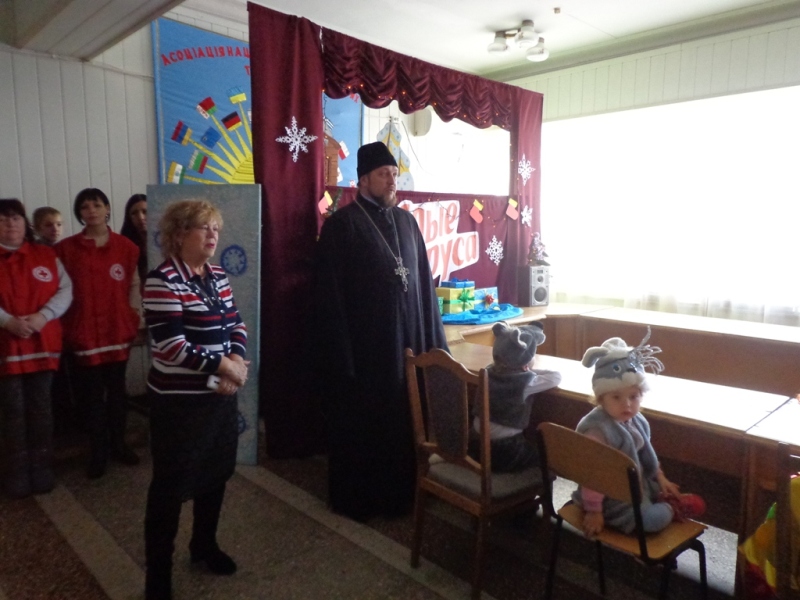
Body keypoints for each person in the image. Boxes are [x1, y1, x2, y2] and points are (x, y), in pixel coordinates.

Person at [315, 141, 448, 522]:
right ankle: (364, 501)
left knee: (405, 421)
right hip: (367, 352)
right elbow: (329, 299)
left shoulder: (408, 222)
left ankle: (406, 494)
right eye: (383, 174)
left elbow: (424, 289)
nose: (391, 181)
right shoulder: (341, 226)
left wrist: (435, 346)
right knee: (368, 427)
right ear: (362, 180)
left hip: (409, 344)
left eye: (394, 174)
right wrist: (341, 358)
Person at [142, 199, 248, 600]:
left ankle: (203, 545)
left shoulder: (217, 275)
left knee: (215, 475)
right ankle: (158, 575)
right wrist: (225, 366)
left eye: (216, 229)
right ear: (179, 233)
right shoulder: (162, 280)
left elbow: (236, 324)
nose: (213, 235)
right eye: (204, 228)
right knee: (169, 489)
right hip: (179, 406)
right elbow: (171, 346)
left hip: (218, 398)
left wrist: (233, 362)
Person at [573, 331, 705, 536]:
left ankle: (663, 497)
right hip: (610, 498)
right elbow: (593, 474)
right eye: (616, 397)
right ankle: (672, 507)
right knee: (651, 521)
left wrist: (661, 478)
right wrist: (594, 511)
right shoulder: (598, 430)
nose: (627, 404)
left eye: (633, 397)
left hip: (637, 485)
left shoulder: (636, 420)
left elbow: (646, 455)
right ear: (601, 398)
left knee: (667, 492)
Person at [56, 188, 141, 478]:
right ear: (79, 213)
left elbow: (133, 284)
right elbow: (59, 289)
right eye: (84, 206)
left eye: (96, 205)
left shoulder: (126, 247)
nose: (91, 210)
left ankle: (119, 444)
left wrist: (133, 316)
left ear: (107, 208)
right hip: (84, 332)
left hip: (117, 329)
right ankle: (98, 451)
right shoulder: (65, 249)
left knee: (117, 392)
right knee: (91, 396)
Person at [0, 199, 72, 498]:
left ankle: (42, 468)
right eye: (3, 219)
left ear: (25, 223)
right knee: (12, 410)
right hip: (5, 346)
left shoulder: (45, 254)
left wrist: (43, 316)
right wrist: (6, 321)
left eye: (16, 218)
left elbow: (65, 290)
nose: (10, 223)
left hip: (42, 344)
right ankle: (16, 472)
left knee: (41, 408)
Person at [469, 321, 561, 472]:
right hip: (505, 450)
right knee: (545, 457)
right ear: (524, 361)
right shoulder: (525, 383)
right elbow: (556, 377)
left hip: (475, 444)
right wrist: (530, 371)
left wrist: (525, 369)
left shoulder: (487, 371)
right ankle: (534, 485)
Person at [120, 193, 148, 285]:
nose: (141, 217)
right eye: (134, 213)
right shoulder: (125, 246)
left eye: (145, 212)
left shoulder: (166, 242)